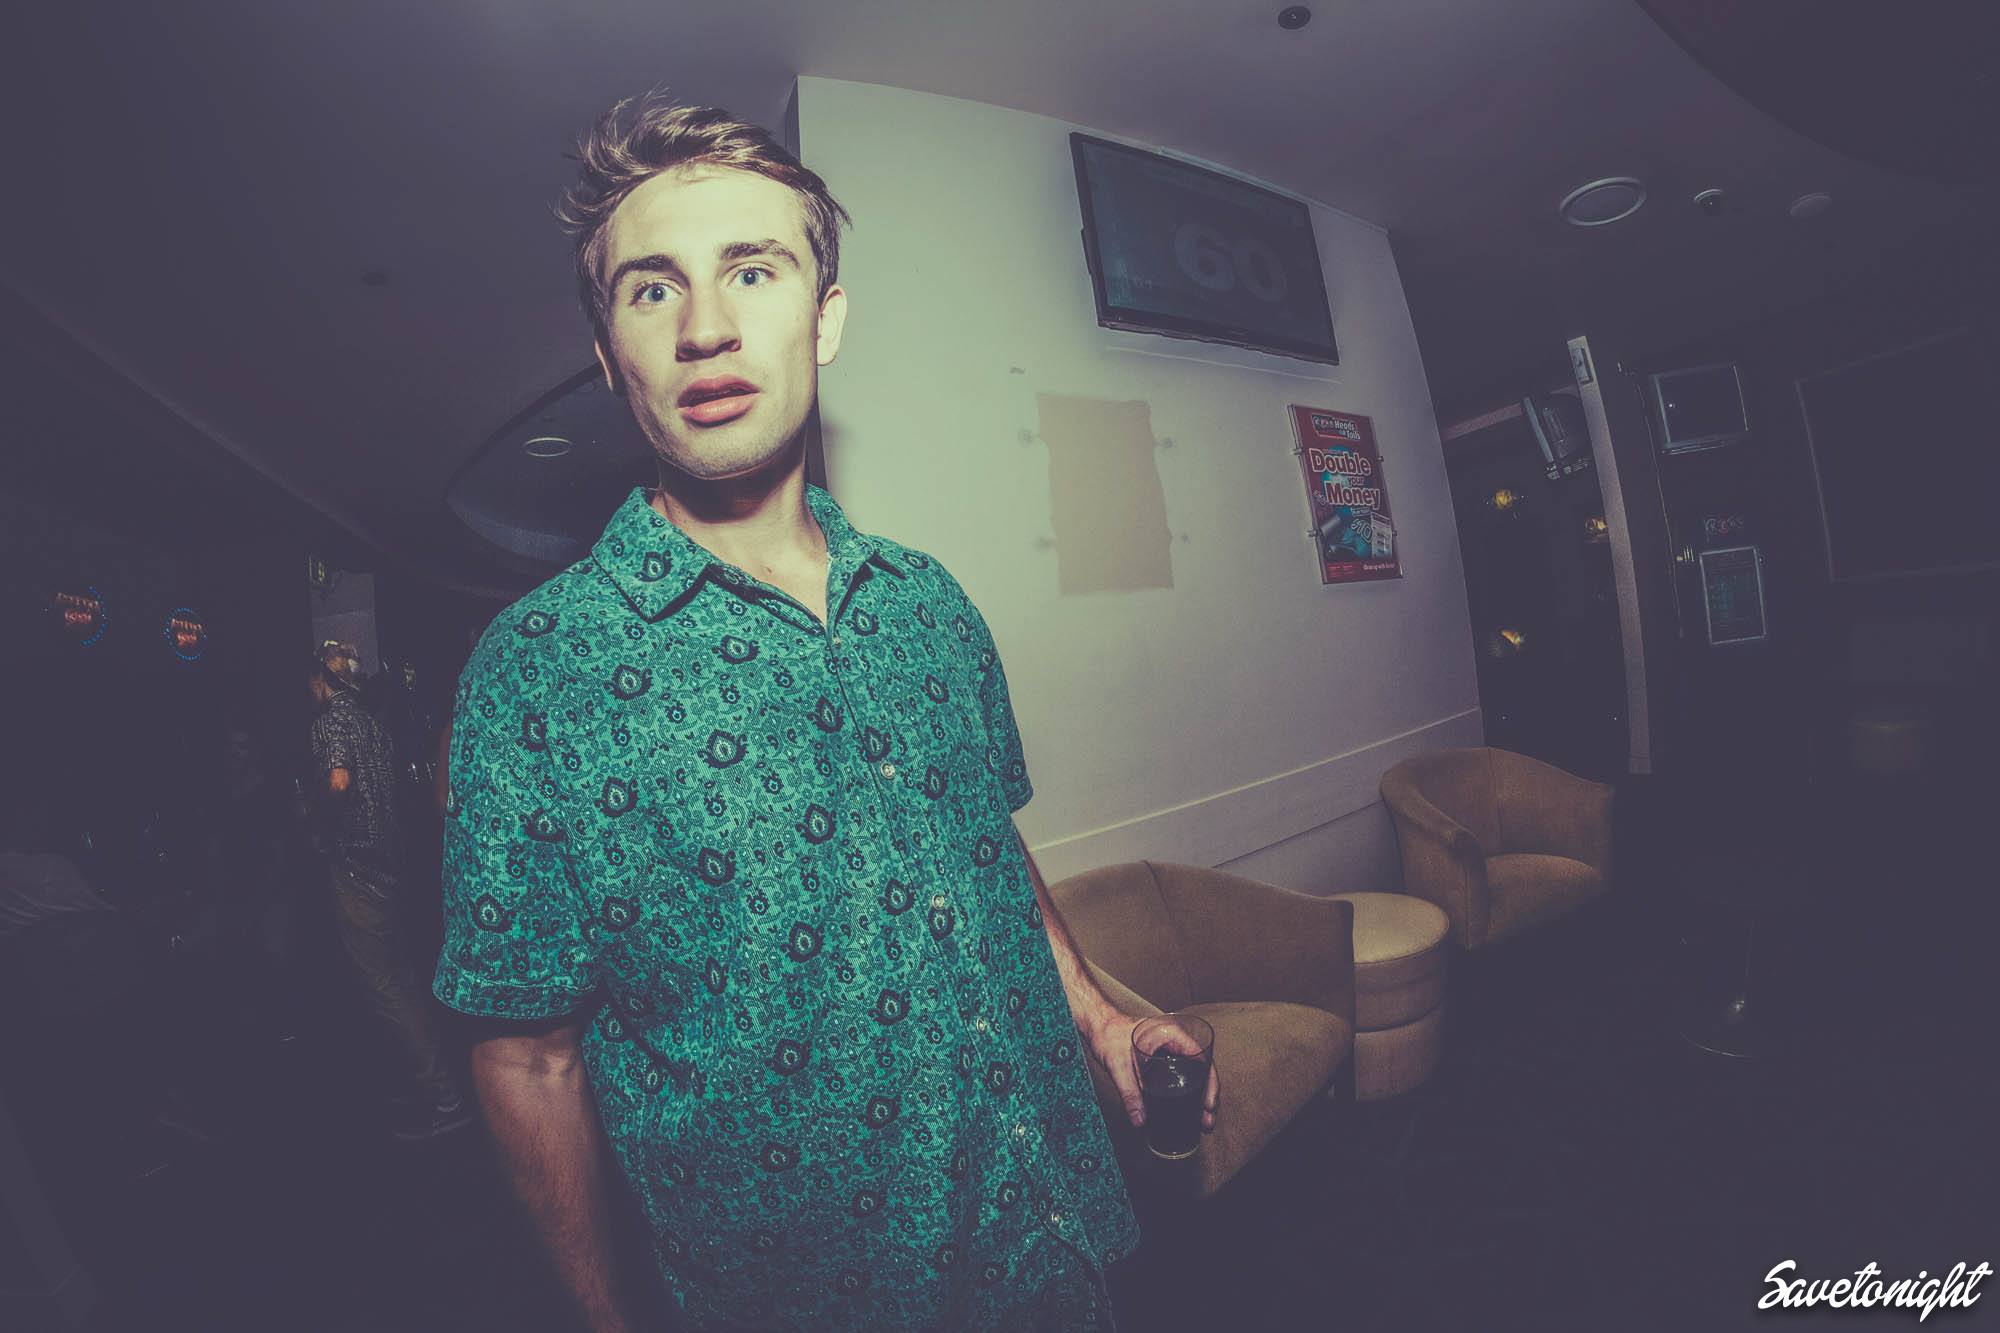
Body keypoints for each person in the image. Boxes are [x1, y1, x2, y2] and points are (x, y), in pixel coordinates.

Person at [435, 94, 1218, 1331]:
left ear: (824, 317)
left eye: (752, 270)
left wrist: (1102, 1019)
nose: (704, 325)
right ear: (609, 355)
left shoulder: (928, 602)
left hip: (1056, 1230)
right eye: (650, 288)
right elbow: (526, 1053)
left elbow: (980, 840)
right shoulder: (536, 672)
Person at [308, 643, 469, 1140]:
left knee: (385, 988)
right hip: (390, 868)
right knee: (402, 979)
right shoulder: (370, 722)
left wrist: (315, 817)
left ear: (321, 679)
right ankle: (430, 1085)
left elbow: (338, 784)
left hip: (357, 869)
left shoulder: (331, 721)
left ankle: (444, 1099)